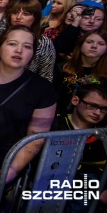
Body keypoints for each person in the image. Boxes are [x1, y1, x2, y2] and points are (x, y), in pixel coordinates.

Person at [0, 26, 57, 209]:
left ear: (32, 54)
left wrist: (12, 168)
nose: (19, 50)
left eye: (27, 46)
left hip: (4, 160)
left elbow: (36, 137)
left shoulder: (43, 90)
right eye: (12, 44)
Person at [51, 84, 107, 213]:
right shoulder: (56, 124)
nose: (97, 112)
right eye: (92, 106)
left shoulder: (102, 135)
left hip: (86, 186)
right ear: (75, 100)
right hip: (52, 180)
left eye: (103, 109)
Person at [0, 0, 56, 82]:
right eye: (15, 13)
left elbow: (46, 76)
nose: (18, 17)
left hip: (25, 89)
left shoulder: (44, 42)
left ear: (35, 17)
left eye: (26, 14)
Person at [54, 31, 107, 114]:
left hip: (96, 118)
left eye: (101, 44)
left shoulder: (105, 73)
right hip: (61, 118)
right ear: (80, 45)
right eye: (89, 42)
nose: (94, 46)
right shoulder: (62, 68)